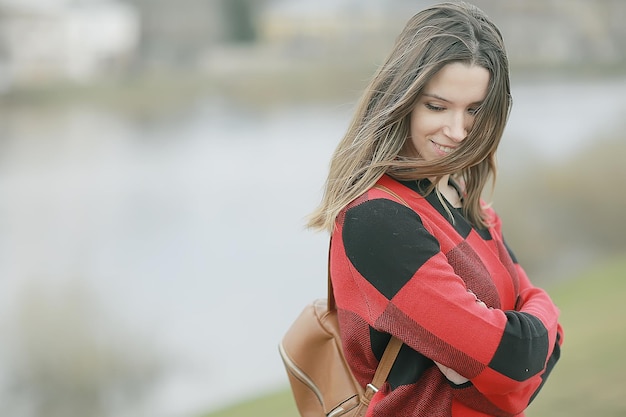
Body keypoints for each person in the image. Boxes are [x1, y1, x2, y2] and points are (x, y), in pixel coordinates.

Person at [307, 2, 564, 417]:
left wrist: (526, 329)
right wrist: (529, 327)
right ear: (401, 98)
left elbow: (532, 354)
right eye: (437, 107)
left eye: (474, 110)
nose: (458, 131)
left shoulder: (459, 195)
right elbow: (519, 363)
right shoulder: (378, 218)